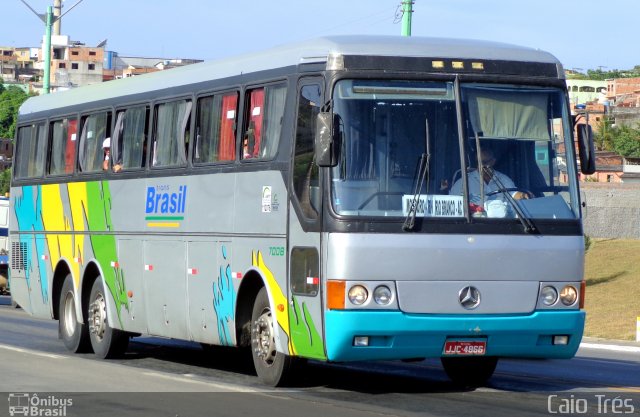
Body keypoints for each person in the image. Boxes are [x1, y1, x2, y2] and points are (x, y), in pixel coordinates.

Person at [449, 147, 516, 206]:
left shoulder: (504, 180)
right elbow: (453, 205)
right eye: (478, 162)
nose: (481, 165)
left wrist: (521, 195)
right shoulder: (463, 183)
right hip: (473, 220)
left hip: (501, 220)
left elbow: (514, 198)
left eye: (484, 162)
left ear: (493, 161)